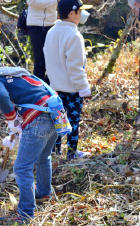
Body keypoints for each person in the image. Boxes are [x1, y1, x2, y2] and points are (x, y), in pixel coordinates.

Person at [0, 48, 57, 223]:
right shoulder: (15, 72)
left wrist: (11, 119)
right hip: (56, 114)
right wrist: (19, 125)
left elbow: (0, 95)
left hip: (38, 118)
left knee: (21, 168)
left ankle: (26, 214)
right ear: (0, 64)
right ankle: (43, 193)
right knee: (43, 157)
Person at [43, 0, 92, 160]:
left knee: (57, 122)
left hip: (55, 88)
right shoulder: (74, 35)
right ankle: (71, 153)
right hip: (72, 89)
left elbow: (47, 59)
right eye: (79, 11)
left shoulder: (51, 32)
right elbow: (75, 67)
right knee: (73, 121)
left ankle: (55, 152)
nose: (81, 15)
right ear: (72, 13)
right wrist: (84, 87)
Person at [26, 0, 58, 84]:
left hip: (52, 23)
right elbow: (31, 2)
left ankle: (53, 90)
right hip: (36, 25)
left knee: (53, 60)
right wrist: (55, 1)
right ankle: (39, 91)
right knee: (40, 61)